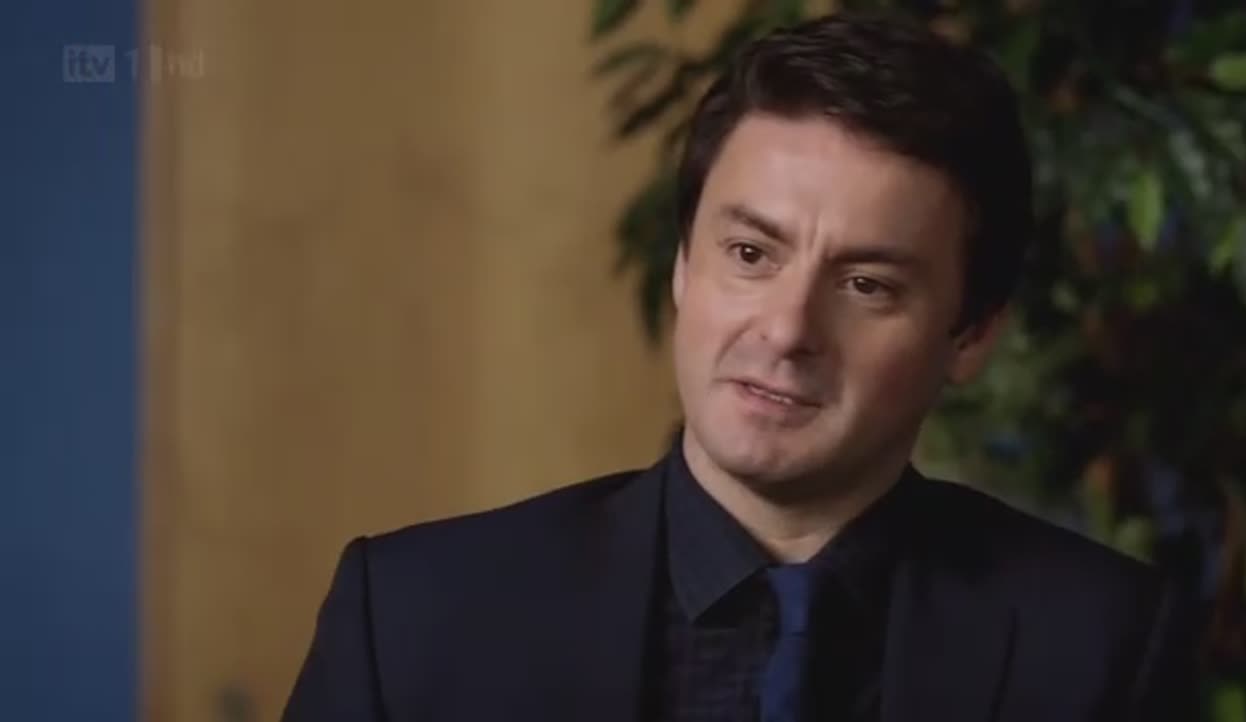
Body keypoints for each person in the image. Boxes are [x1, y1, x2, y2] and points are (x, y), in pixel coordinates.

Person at [282, 10, 1197, 722]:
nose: (787, 329)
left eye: (867, 285)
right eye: (751, 255)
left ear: (972, 335)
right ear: (684, 266)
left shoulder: (1101, 647)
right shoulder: (414, 616)